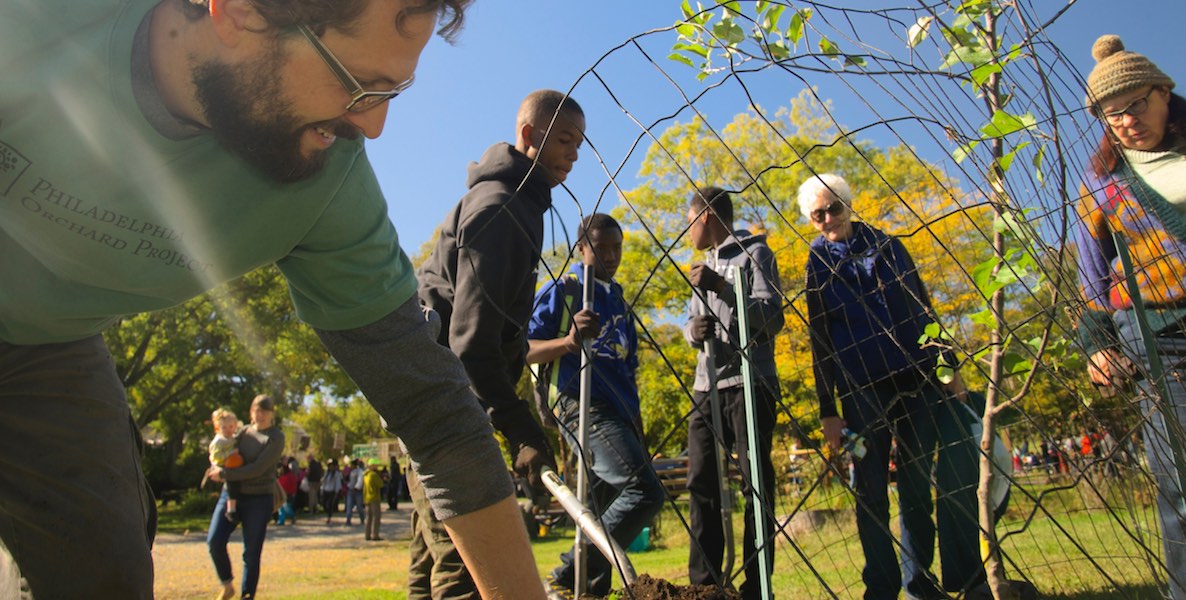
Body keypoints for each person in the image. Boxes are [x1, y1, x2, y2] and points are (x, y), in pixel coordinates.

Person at [0, 1, 548, 597]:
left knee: (104, 573)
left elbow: (432, 413)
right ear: (238, 13)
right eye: (359, 85)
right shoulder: (40, 20)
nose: (373, 126)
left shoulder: (328, 185)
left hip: (46, 348)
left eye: (394, 89)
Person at [800, 174, 1036, 600]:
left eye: (834, 208)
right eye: (819, 214)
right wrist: (827, 409)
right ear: (811, 219)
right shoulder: (816, 265)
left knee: (914, 485)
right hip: (860, 393)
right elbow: (819, 340)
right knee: (869, 490)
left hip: (915, 377)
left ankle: (919, 584)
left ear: (849, 205)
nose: (829, 218)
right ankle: (881, 588)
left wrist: (949, 366)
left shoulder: (888, 247)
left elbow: (923, 306)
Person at [411, 88, 586, 599]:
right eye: (565, 140)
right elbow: (470, 341)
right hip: (438, 398)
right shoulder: (501, 209)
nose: (574, 154)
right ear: (529, 136)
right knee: (464, 561)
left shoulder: (523, 206)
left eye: (580, 144)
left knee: (431, 557)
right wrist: (521, 428)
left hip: (443, 391)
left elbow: (494, 336)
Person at [1074, 34, 1186, 599]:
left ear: (1164, 92)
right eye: (1111, 114)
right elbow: (1091, 273)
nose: (1125, 121)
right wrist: (1095, 343)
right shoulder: (1101, 183)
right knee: (1179, 483)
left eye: (1136, 104)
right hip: (1160, 341)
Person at [527, 213, 666, 598]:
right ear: (581, 248)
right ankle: (568, 571)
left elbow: (628, 364)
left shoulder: (619, 298)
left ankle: (586, 589)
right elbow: (523, 349)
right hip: (579, 403)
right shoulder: (563, 289)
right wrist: (569, 343)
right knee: (644, 490)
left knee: (598, 509)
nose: (610, 256)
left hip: (619, 412)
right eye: (600, 248)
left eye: (616, 248)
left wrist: (636, 422)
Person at [682, 186, 784, 599]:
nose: (687, 230)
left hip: (748, 381)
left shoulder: (755, 254)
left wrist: (724, 289)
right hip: (707, 384)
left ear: (706, 216)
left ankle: (756, 586)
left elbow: (772, 317)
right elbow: (691, 322)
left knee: (754, 483)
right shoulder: (701, 265)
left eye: (689, 221)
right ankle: (704, 585)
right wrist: (694, 331)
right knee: (700, 482)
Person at [206, 394, 286, 600]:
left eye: (264, 411)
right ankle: (227, 584)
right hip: (232, 494)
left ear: (271, 414)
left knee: (251, 553)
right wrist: (215, 464)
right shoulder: (242, 432)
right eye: (256, 411)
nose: (260, 415)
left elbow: (257, 468)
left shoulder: (276, 437)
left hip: (259, 497)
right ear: (251, 413)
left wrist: (225, 474)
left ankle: (247, 596)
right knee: (214, 540)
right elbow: (223, 449)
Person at [208, 407, 246, 521]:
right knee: (232, 485)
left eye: (231, 426)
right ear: (218, 428)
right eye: (224, 427)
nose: (228, 430)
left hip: (233, 465)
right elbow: (215, 457)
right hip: (222, 466)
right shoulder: (219, 441)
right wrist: (230, 454)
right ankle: (231, 509)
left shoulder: (233, 438)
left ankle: (239, 505)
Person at [365, 458, 386, 541]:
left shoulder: (365, 475)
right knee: (376, 517)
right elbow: (381, 484)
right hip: (374, 498)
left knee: (368, 518)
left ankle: (367, 535)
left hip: (367, 498)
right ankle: (375, 535)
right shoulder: (373, 475)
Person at [321, 458, 344, 524]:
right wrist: (322, 488)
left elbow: (338, 483)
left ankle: (329, 517)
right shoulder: (327, 473)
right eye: (330, 466)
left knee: (330, 504)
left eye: (332, 466)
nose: (331, 467)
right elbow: (324, 481)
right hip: (326, 490)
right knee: (324, 504)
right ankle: (328, 514)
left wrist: (337, 491)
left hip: (332, 491)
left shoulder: (336, 474)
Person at [345, 458, 366, 525]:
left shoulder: (359, 471)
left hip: (357, 491)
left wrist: (357, 487)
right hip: (350, 491)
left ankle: (362, 518)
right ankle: (348, 519)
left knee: (359, 506)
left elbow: (360, 480)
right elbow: (349, 481)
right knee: (349, 505)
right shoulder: (351, 472)